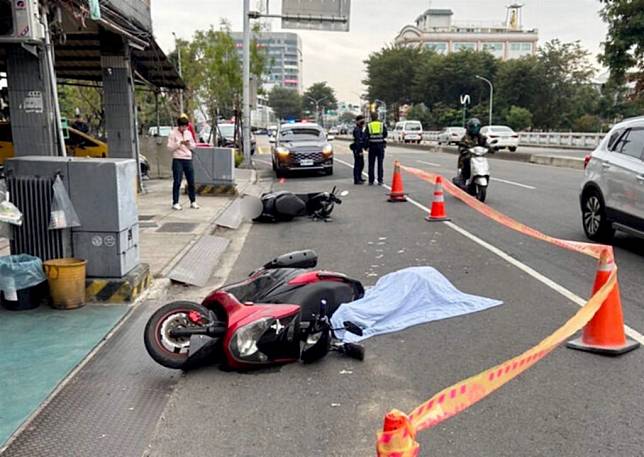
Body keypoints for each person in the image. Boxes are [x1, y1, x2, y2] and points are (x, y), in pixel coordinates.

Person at [167, 116, 199, 210]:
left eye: (186, 127)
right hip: (177, 159)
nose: (184, 129)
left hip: (188, 159)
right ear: (179, 126)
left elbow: (193, 146)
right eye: (183, 127)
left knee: (191, 181)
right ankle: (175, 202)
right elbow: (169, 148)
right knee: (177, 181)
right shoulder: (172, 133)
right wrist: (179, 143)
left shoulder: (188, 133)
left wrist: (188, 144)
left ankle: (193, 201)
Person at [455, 118, 488, 186]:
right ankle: (462, 178)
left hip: (478, 156)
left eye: (477, 127)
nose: (475, 129)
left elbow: (485, 144)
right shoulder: (465, 137)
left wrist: (491, 148)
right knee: (466, 160)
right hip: (467, 156)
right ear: (469, 127)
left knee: (484, 160)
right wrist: (463, 149)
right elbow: (461, 145)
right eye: (473, 127)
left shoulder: (481, 137)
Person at [364, 111, 388, 185]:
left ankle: (371, 181)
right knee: (380, 164)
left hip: (372, 146)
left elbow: (366, 136)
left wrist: (366, 146)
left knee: (371, 164)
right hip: (380, 146)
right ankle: (380, 180)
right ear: (377, 117)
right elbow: (385, 134)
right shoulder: (381, 124)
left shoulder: (369, 125)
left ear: (371, 118)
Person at [350, 115, 366, 184]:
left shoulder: (360, 129)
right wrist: (359, 151)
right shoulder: (357, 130)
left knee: (361, 164)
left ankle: (359, 177)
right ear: (358, 121)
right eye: (361, 121)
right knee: (358, 164)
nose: (363, 122)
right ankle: (357, 180)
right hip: (357, 149)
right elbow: (358, 141)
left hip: (359, 148)